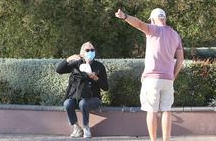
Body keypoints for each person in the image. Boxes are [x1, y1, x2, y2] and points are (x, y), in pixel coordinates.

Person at [115, 8, 183, 141]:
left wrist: (125, 17)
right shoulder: (175, 35)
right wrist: (173, 76)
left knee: (152, 111)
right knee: (166, 110)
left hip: (152, 79)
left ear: (152, 19)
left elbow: (139, 24)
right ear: (165, 18)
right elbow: (180, 60)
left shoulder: (153, 29)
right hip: (168, 79)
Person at [56, 42, 108, 138]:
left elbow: (105, 87)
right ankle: (76, 128)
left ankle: (86, 127)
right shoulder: (76, 64)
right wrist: (68, 59)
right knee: (67, 103)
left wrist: (95, 78)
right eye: (87, 50)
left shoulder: (99, 66)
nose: (90, 52)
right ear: (82, 52)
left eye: (92, 50)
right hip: (76, 97)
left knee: (83, 103)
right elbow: (59, 70)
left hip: (93, 99)